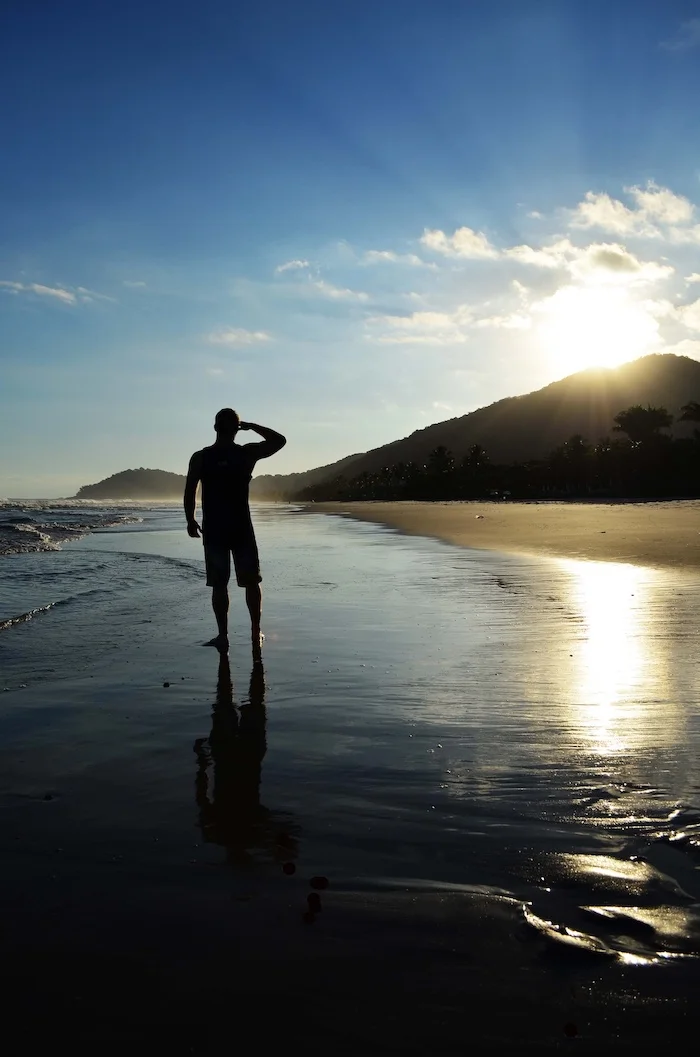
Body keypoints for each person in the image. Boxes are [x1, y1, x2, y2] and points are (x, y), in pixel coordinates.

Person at [184, 409, 286, 659]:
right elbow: (279, 441)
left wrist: (190, 520)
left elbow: (189, 491)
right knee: (251, 581)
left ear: (215, 427)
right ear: (236, 429)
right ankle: (255, 631)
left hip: (215, 529)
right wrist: (251, 426)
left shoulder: (201, 457)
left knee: (219, 584)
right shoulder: (245, 453)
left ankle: (223, 636)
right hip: (241, 528)